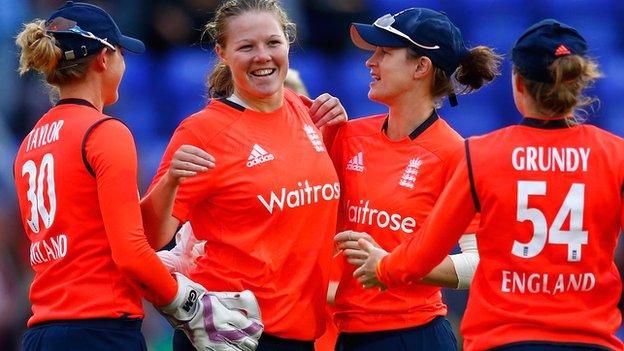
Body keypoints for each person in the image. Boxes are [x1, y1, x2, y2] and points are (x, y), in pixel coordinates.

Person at [355, 19, 623, 351]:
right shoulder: (616, 155)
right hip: (590, 339)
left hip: (503, 338)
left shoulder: (482, 153)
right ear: (579, 83)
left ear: (518, 84)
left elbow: (424, 252)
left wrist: (383, 267)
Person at [13, 2, 261, 351]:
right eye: (121, 55)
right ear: (104, 58)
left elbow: (104, 234)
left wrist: (169, 181)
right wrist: (190, 306)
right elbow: (130, 253)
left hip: (42, 331)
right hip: (99, 330)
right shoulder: (104, 132)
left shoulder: (31, 142)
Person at [140, 1, 347, 350]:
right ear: (222, 53)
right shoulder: (204, 132)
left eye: (272, 43)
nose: (262, 56)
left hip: (301, 335)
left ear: (288, 44)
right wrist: (170, 181)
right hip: (232, 336)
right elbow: (148, 236)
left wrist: (336, 132)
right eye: (246, 47)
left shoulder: (308, 112)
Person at [328, 7, 501, 351]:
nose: (370, 62)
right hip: (347, 334)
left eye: (385, 53)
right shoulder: (347, 136)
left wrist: (394, 266)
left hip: (415, 336)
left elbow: (481, 263)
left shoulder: (456, 154)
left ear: (421, 67)